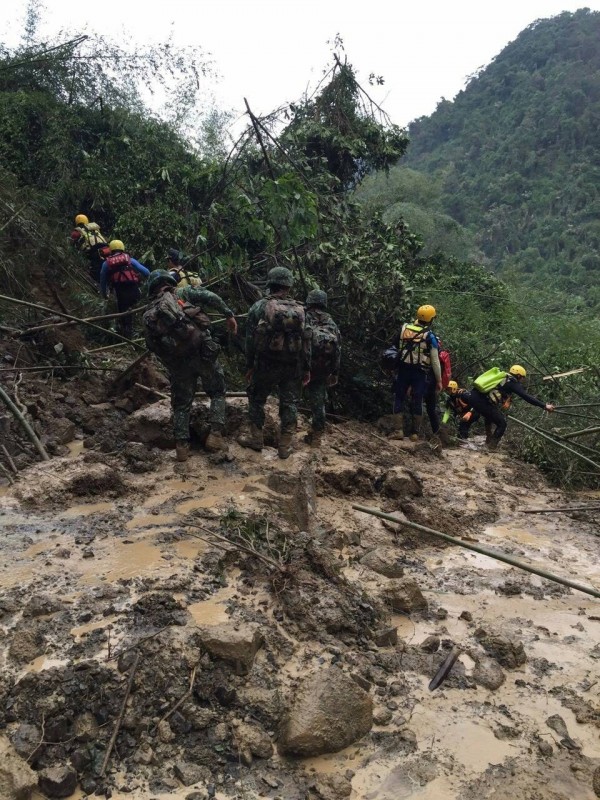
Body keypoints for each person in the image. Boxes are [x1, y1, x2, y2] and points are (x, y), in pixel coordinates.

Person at [143, 269, 237, 461]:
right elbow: (210, 296)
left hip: (178, 363)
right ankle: (215, 435)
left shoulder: (148, 314)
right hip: (203, 354)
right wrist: (228, 314)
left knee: (181, 404)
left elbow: (152, 345)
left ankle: (181, 447)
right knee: (217, 392)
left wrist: (171, 362)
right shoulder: (183, 293)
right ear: (169, 282)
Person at [239, 266, 311, 459]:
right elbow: (307, 341)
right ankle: (285, 445)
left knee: (256, 397)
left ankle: (256, 438)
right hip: (292, 365)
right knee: (289, 402)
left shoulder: (259, 306)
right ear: (288, 285)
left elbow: (250, 340)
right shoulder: (301, 309)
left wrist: (250, 366)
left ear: (270, 284)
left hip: (266, 363)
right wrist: (306, 368)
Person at [466, 365, 555, 449]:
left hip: (472, 396)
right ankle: (491, 447)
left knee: (489, 415)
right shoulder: (512, 382)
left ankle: (488, 440)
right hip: (481, 401)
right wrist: (544, 406)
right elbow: (526, 396)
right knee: (502, 424)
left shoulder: (502, 377)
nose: (522, 380)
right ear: (519, 375)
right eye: (522, 377)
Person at [392, 304, 442, 440]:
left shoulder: (404, 329)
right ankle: (415, 434)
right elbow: (435, 361)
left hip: (403, 369)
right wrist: (439, 380)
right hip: (419, 372)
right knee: (417, 400)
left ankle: (398, 431)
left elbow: (395, 347)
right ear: (431, 320)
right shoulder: (430, 336)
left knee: (399, 397)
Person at [303, 289, 341, 447]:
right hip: (322, 368)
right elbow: (338, 347)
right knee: (318, 402)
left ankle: (285, 435)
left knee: (290, 398)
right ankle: (317, 436)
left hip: (302, 366)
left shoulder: (303, 317)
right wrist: (334, 372)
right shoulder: (331, 322)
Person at [99, 240, 150, 338]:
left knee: (125, 316)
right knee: (138, 309)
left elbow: (102, 281)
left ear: (111, 249)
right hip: (134, 290)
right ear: (122, 248)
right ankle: (143, 330)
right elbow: (147, 272)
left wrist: (104, 295)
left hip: (121, 293)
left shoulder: (107, 263)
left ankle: (128, 337)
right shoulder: (129, 259)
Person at [70, 214, 109, 282]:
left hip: (94, 251)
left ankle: (99, 285)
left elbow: (72, 246)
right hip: (106, 248)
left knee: (95, 271)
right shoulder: (95, 228)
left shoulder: (77, 232)